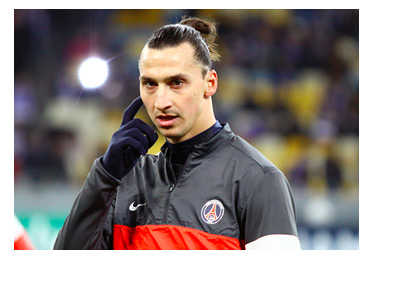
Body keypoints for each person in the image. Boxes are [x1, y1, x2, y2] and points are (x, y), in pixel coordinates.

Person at [54, 16, 300, 250]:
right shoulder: (126, 180)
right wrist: (105, 176)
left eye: (176, 83)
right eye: (150, 84)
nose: (161, 101)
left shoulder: (258, 180)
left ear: (210, 83)